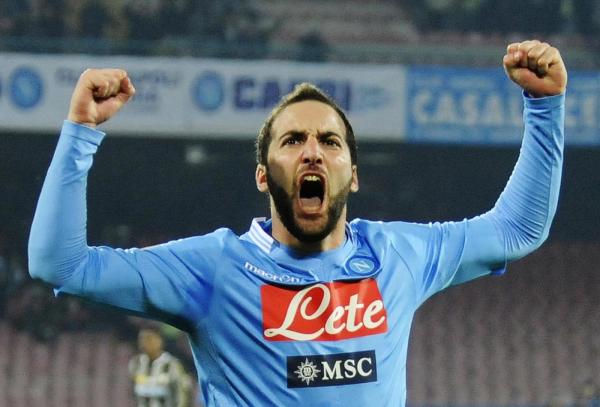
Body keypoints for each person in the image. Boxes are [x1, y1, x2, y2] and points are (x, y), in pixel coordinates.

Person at [28, 39, 567, 406]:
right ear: (263, 176)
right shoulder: (213, 270)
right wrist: (80, 132)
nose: (313, 152)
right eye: (293, 140)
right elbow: (61, 265)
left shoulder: (398, 254)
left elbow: (517, 229)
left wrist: (544, 109)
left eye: (330, 141)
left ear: (353, 174)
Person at [129, 326, 193, 407]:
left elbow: (182, 393)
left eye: (149, 339)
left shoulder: (171, 364)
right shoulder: (136, 363)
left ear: (159, 340)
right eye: (142, 339)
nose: (144, 343)